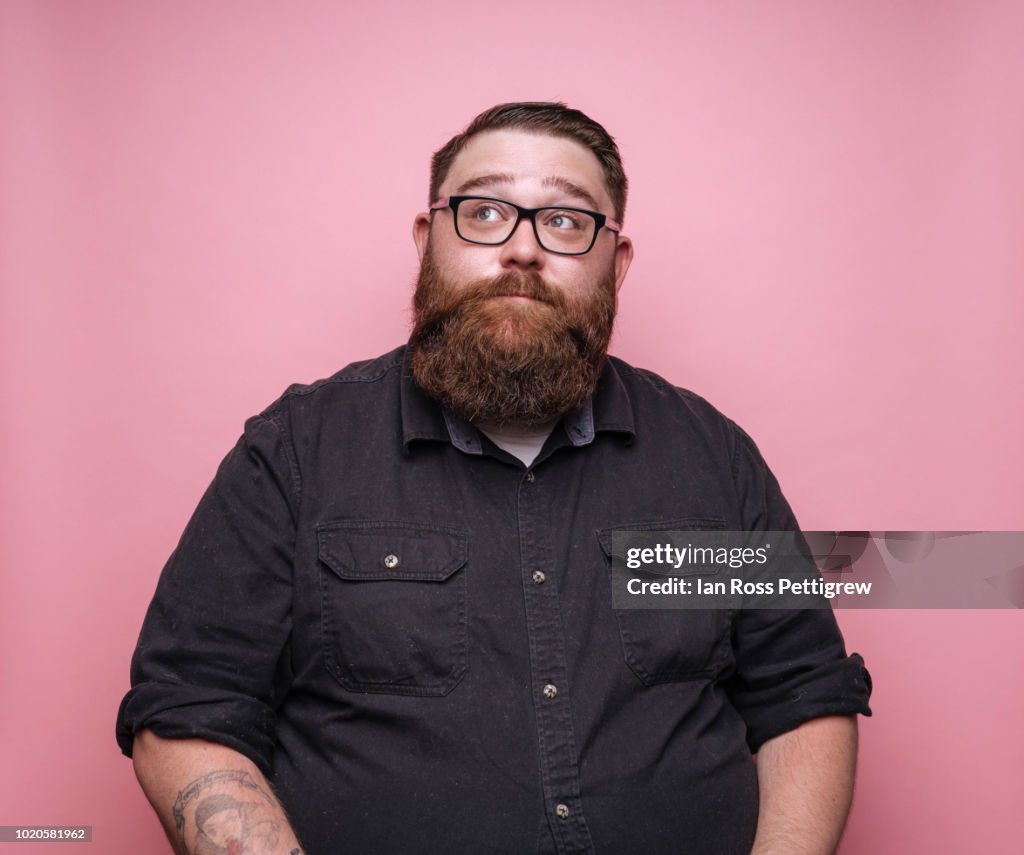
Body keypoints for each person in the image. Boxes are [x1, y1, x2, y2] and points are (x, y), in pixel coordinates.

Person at [118, 102, 872, 855]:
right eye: (484, 211)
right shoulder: (292, 453)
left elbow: (802, 696)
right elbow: (188, 710)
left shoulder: (713, 456)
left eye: (567, 222)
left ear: (618, 259)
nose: (522, 249)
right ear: (427, 240)